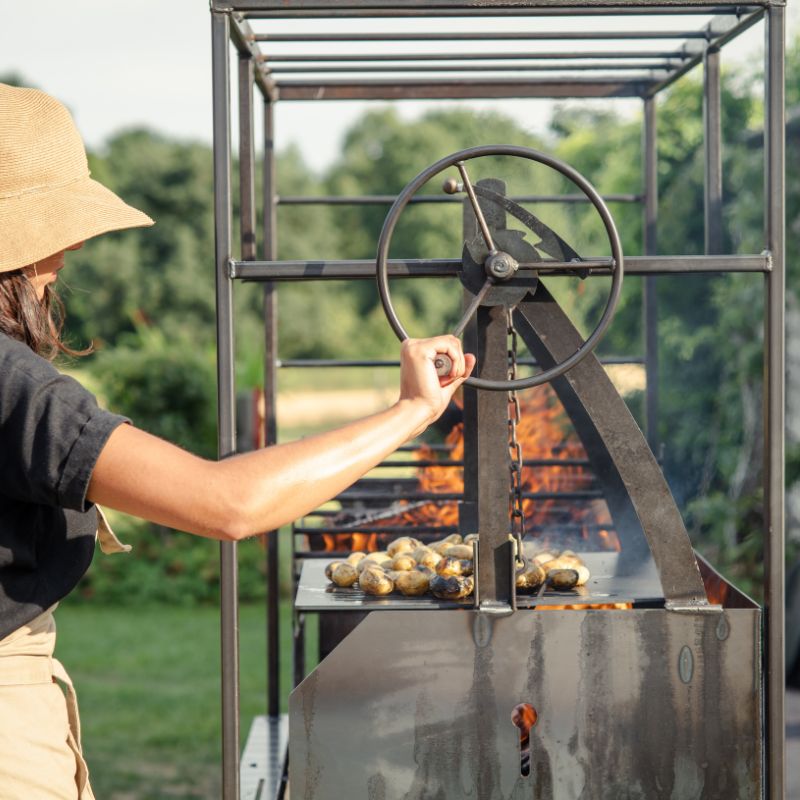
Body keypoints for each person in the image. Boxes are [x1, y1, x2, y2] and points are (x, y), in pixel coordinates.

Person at [0, 82, 474, 800]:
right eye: (60, 239)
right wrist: (410, 412)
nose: (64, 260)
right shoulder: (14, 384)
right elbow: (228, 503)